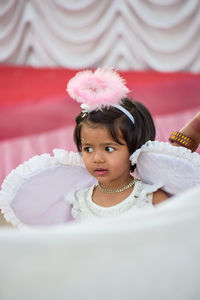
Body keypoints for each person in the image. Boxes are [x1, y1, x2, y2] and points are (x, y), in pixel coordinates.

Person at [0, 67, 199, 227]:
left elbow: (176, 238)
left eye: (109, 149)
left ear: (133, 148)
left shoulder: (150, 196)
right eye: (88, 149)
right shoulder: (79, 201)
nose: (97, 158)